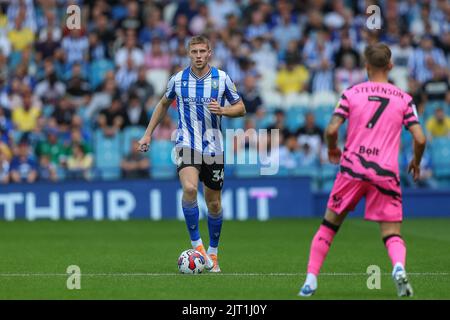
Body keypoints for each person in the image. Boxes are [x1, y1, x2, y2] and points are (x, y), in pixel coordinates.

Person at [298, 43, 426, 298]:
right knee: (391, 234)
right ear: (390, 66)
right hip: (385, 173)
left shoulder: (351, 93)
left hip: (352, 171)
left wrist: (333, 148)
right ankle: (398, 268)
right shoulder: (404, 98)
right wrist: (416, 160)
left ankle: (310, 281)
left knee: (328, 226)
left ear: (366, 66)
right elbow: (420, 138)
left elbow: (332, 129)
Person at [138, 35, 246, 272]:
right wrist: (147, 134)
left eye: (202, 51)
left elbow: (241, 108)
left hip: (214, 147)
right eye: (194, 52)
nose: (198, 56)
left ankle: (213, 253)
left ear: (209, 53)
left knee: (214, 203)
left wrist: (224, 110)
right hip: (186, 141)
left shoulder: (222, 78)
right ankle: (197, 246)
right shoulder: (178, 79)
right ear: (189, 54)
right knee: (189, 189)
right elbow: (163, 104)